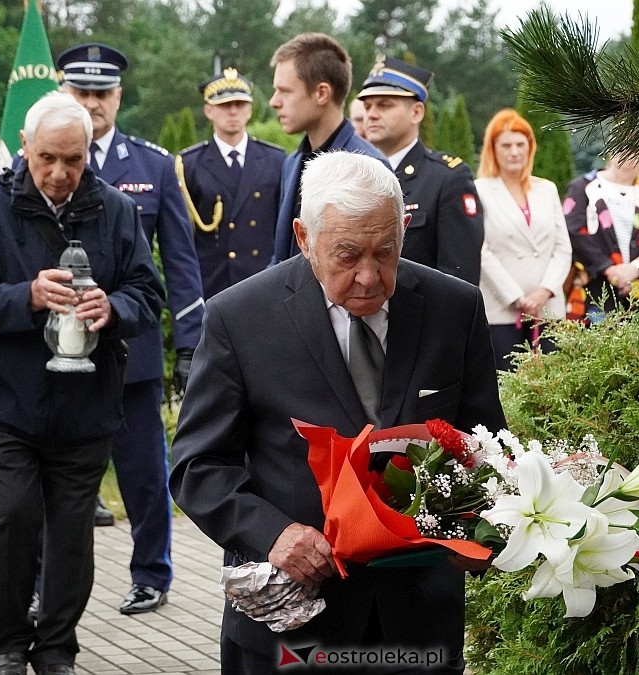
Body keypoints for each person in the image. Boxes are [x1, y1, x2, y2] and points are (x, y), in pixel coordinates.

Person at [170, 151, 506, 675]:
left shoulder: (452, 308)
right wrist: (273, 534)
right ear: (304, 238)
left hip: (417, 617)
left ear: (406, 228)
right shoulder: (240, 318)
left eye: (386, 252)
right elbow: (197, 466)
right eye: (347, 255)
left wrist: (483, 527)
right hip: (297, 617)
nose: (369, 276)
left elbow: (487, 442)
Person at [0, 92, 164, 675]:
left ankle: (56, 650)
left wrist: (112, 307)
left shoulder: (117, 210)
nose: (60, 173)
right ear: (25, 147)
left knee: (72, 534)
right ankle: (8, 644)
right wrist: (27, 297)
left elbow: (149, 294)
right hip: (6, 406)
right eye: (48, 158)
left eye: (74, 160)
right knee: (14, 516)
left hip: (87, 406)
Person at [55, 42, 206, 616]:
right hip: (57, 348)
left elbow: (183, 263)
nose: (92, 104)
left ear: (118, 97)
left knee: (144, 473)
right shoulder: (43, 157)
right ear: (65, 94)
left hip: (129, 350)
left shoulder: (152, 165)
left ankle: (151, 573)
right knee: (57, 469)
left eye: (103, 93)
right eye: (82, 92)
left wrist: (190, 341)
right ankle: (47, 577)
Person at [358, 56, 484, 285]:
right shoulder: (356, 174)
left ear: (417, 112)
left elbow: (459, 278)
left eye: (384, 104)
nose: (371, 114)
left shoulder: (447, 178)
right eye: (367, 106)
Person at [268, 33, 387, 265]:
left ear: (322, 93)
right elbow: (283, 258)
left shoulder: (366, 170)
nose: (274, 101)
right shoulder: (292, 163)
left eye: (285, 91)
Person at [473, 109, 571, 370]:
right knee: (507, 386)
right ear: (493, 149)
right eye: (506, 145)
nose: (514, 152)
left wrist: (544, 291)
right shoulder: (480, 190)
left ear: (530, 147)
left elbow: (562, 248)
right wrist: (518, 297)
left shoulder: (546, 189)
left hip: (548, 306)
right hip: (502, 309)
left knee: (555, 385)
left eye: (520, 144)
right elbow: (481, 250)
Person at [178, 68, 285, 299]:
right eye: (225, 105)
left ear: (250, 110)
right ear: (208, 110)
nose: (233, 111)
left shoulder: (276, 160)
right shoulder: (189, 165)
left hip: (264, 281)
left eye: (240, 104)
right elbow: (184, 236)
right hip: (214, 284)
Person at [564, 147, 639, 320]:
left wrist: (634, 269)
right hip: (594, 292)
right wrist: (609, 270)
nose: (630, 150)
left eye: (638, 145)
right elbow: (573, 232)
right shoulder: (583, 187)